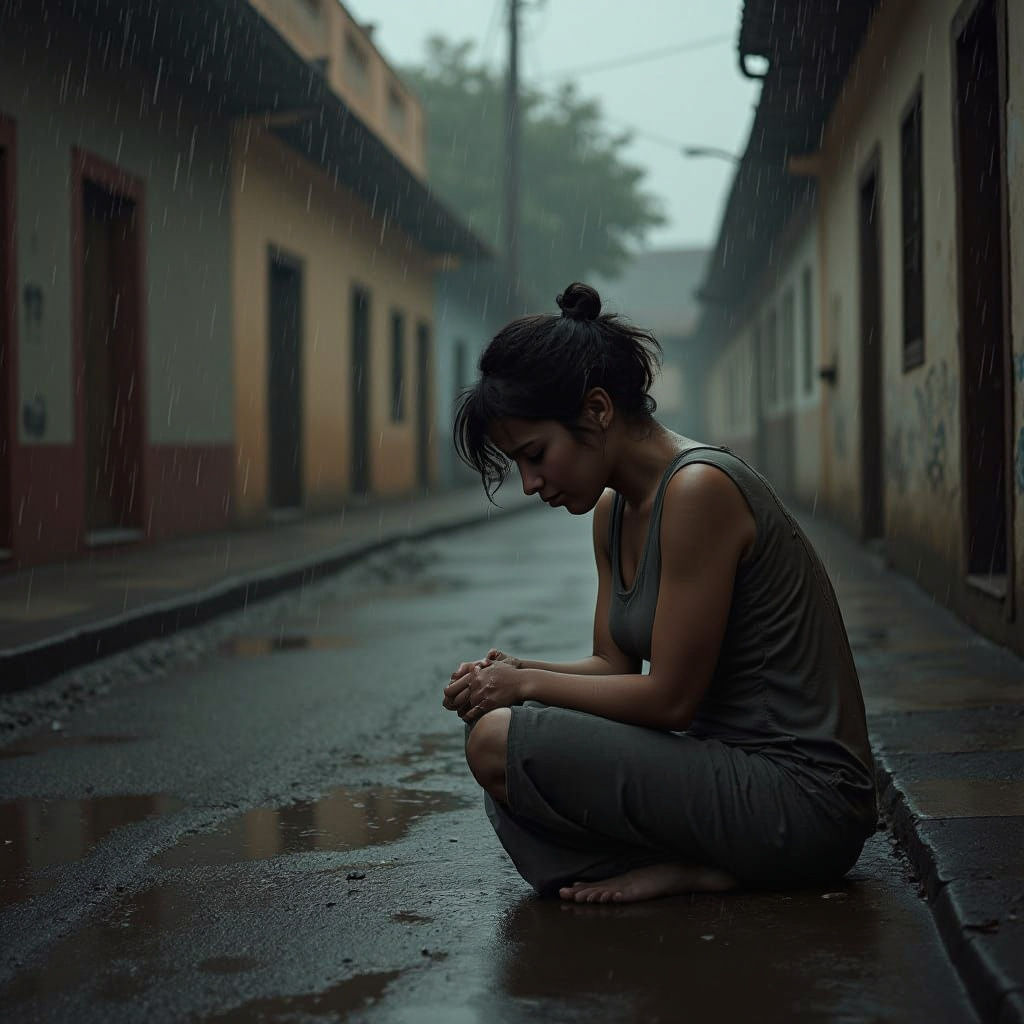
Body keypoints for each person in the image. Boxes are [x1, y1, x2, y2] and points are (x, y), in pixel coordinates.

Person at [442, 282, 877, 904]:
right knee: (500, 741)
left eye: (535, 455)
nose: (530, 483)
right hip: (721, 774)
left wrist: (526, 686)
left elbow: (670, 700)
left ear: (597, 410)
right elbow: (611, 667)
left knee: (503, 743)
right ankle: (705, 864)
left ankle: (715, 864)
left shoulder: (699, 490)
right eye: (519, 464)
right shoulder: (613, 511)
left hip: (804, 800)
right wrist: (513, 672)